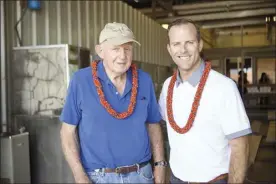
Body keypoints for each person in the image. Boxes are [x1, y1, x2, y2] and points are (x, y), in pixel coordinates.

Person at [60, 22, 166, 184]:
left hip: (141, 175)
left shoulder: (144, 80)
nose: (123, 56)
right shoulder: (81, 81)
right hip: (98, 177)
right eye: (116, 49)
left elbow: (153, 125)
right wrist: (79, 175)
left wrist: (159, 165)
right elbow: (67, 133)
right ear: (100, 51)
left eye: (127, 49)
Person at [158, 18, 252, 184]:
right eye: (176, 44)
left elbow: (240, 146)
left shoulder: (224, 87)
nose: (183, 49)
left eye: (189, 42)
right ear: (169, 49)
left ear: (200, 45)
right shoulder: (168, 86)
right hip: (176, 179)